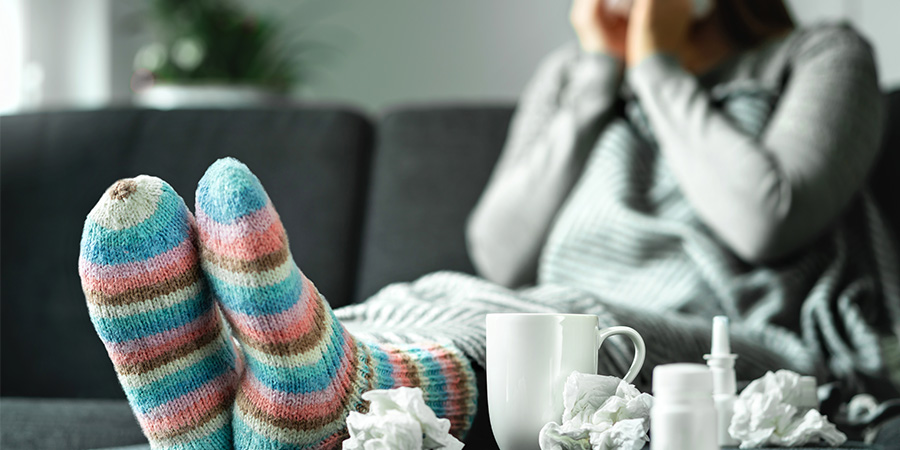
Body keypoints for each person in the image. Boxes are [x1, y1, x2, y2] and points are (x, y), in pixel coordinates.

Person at [77, 0, 898, 448]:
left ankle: (342, 397)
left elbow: (766, 222)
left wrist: (654, 63)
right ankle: (233, 417)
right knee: (430, 289)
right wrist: (591, 87)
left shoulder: (823, 55)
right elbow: (497, 249)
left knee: (563, 330)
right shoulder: (573, 78)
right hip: (545, 300)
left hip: (726, 341)